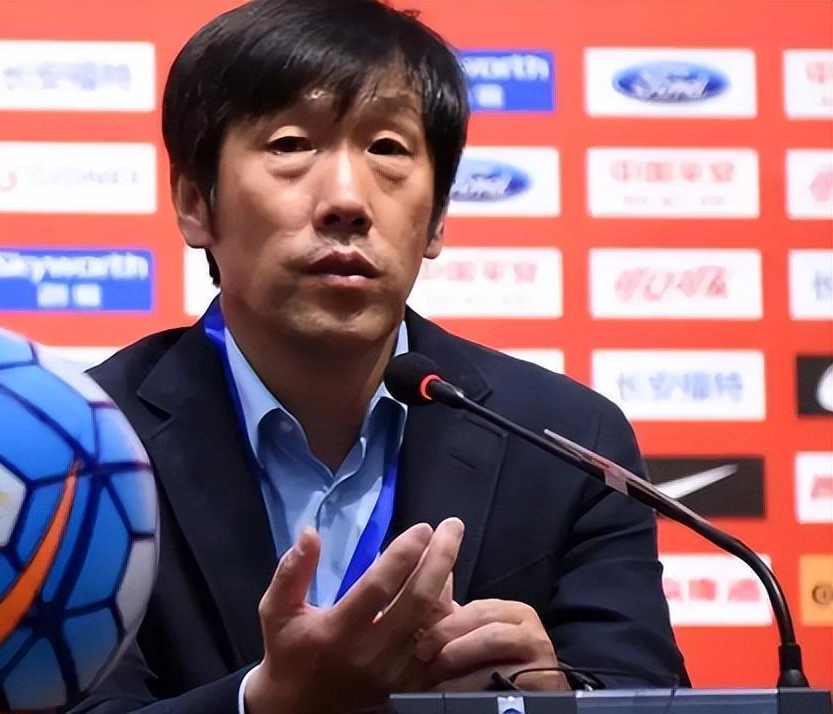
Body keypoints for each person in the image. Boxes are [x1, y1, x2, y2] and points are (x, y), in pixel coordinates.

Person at [80, 1, 687, 712]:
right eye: (290, 144)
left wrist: (551, 698)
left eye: (389, 149)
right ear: (195, 202)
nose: (346, 200)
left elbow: (642, 690)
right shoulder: (82, 448)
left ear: (437, 218)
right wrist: (263, 703)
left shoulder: (566, 443)